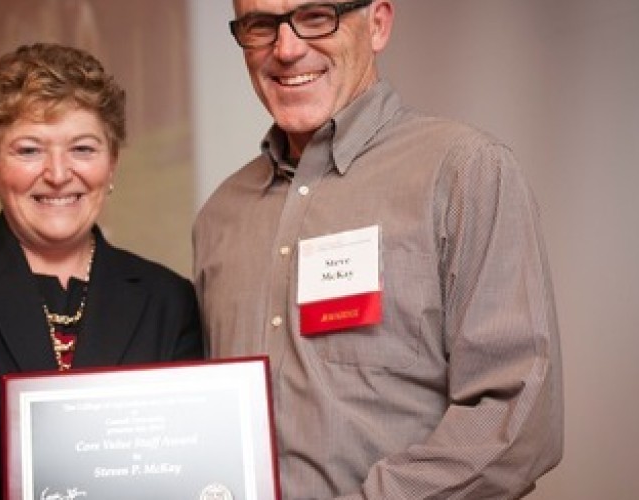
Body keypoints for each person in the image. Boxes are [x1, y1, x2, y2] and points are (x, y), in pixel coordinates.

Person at [193, 1, 562, 498]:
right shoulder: (220, 215)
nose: (286, 49)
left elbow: (514, 419)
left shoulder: (463, 172)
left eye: (317, 16)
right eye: (261, 26)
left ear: (379, 24)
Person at [0, 42, 204, 499]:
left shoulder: (168, 298)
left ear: (112, 166)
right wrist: (93, 427)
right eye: (29, 150)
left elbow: (188, 456)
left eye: (83, 149)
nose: (58, 173)